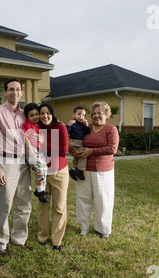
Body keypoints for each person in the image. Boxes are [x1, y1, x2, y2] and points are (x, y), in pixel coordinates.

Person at [0, 78, 33, 257]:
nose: (15, 92)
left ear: (21, 93)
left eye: (18, 89)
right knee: (4, 204)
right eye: (11, 89)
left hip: (23, 163)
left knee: (24, 204)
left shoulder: (25, 114)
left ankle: (19, 239)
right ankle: (1, 245)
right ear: (5, 92)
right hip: (5, 161)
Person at [72, 102, 119, 239]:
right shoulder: (86, 127)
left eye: (100, 113)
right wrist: (76, 151)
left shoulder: (111, 129)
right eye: (94, 113)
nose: (96, 115)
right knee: (83, 198)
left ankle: (103, 229)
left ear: (106, 115)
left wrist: (91, 151)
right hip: (83, 169)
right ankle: (84, 227)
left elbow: (112, 149)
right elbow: (76, 141)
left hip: (103, 171)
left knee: (103, 200)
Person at [36, 103, 69, 251]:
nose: (45, 116)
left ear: (52, 113)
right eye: (42, 113)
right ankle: (43, 235)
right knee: (43, 206)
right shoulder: (37, 128)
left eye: (48, 113)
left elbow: (63, 151)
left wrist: (43, 143)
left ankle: (56, 240)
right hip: (41, 173)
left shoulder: (60, 128)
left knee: (59, 207)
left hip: (59, 172)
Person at [22, 103, 49, 203]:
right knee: (40, 169)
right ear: (27, 117)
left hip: (38, 149)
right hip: (32, 150)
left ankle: (41, 190)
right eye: (31, 115)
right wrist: (30, 151)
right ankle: (40, 190)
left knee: (44, 169)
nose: (35, 117)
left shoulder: (39, 125)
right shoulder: (27, 125)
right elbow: (25, 137)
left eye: (36, 114)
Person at [66, 106, 91, 181]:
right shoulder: (73, 123)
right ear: (74, 115)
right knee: (83, 155)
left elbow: (88, 132)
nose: (81, 116)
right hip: (74, 142)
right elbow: (67, 132)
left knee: (77, 157)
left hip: (79, 143)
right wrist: (68, 125)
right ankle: (79, 170)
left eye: (83, 115)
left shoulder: (82, 124)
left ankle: (73, 169)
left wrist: (87, 125)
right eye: (79, 114)